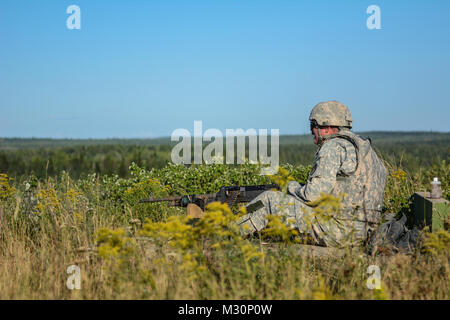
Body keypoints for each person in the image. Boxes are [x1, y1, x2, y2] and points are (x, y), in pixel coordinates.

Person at [237, 101, 387, 247]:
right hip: (363, 233)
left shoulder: (333, 146)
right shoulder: (367, 151)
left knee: (268, 200)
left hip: (338, 230)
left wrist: (291, 187)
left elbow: (312, 196)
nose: (311, 131)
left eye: (313, 126)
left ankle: (226, 233)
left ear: (326, 127)